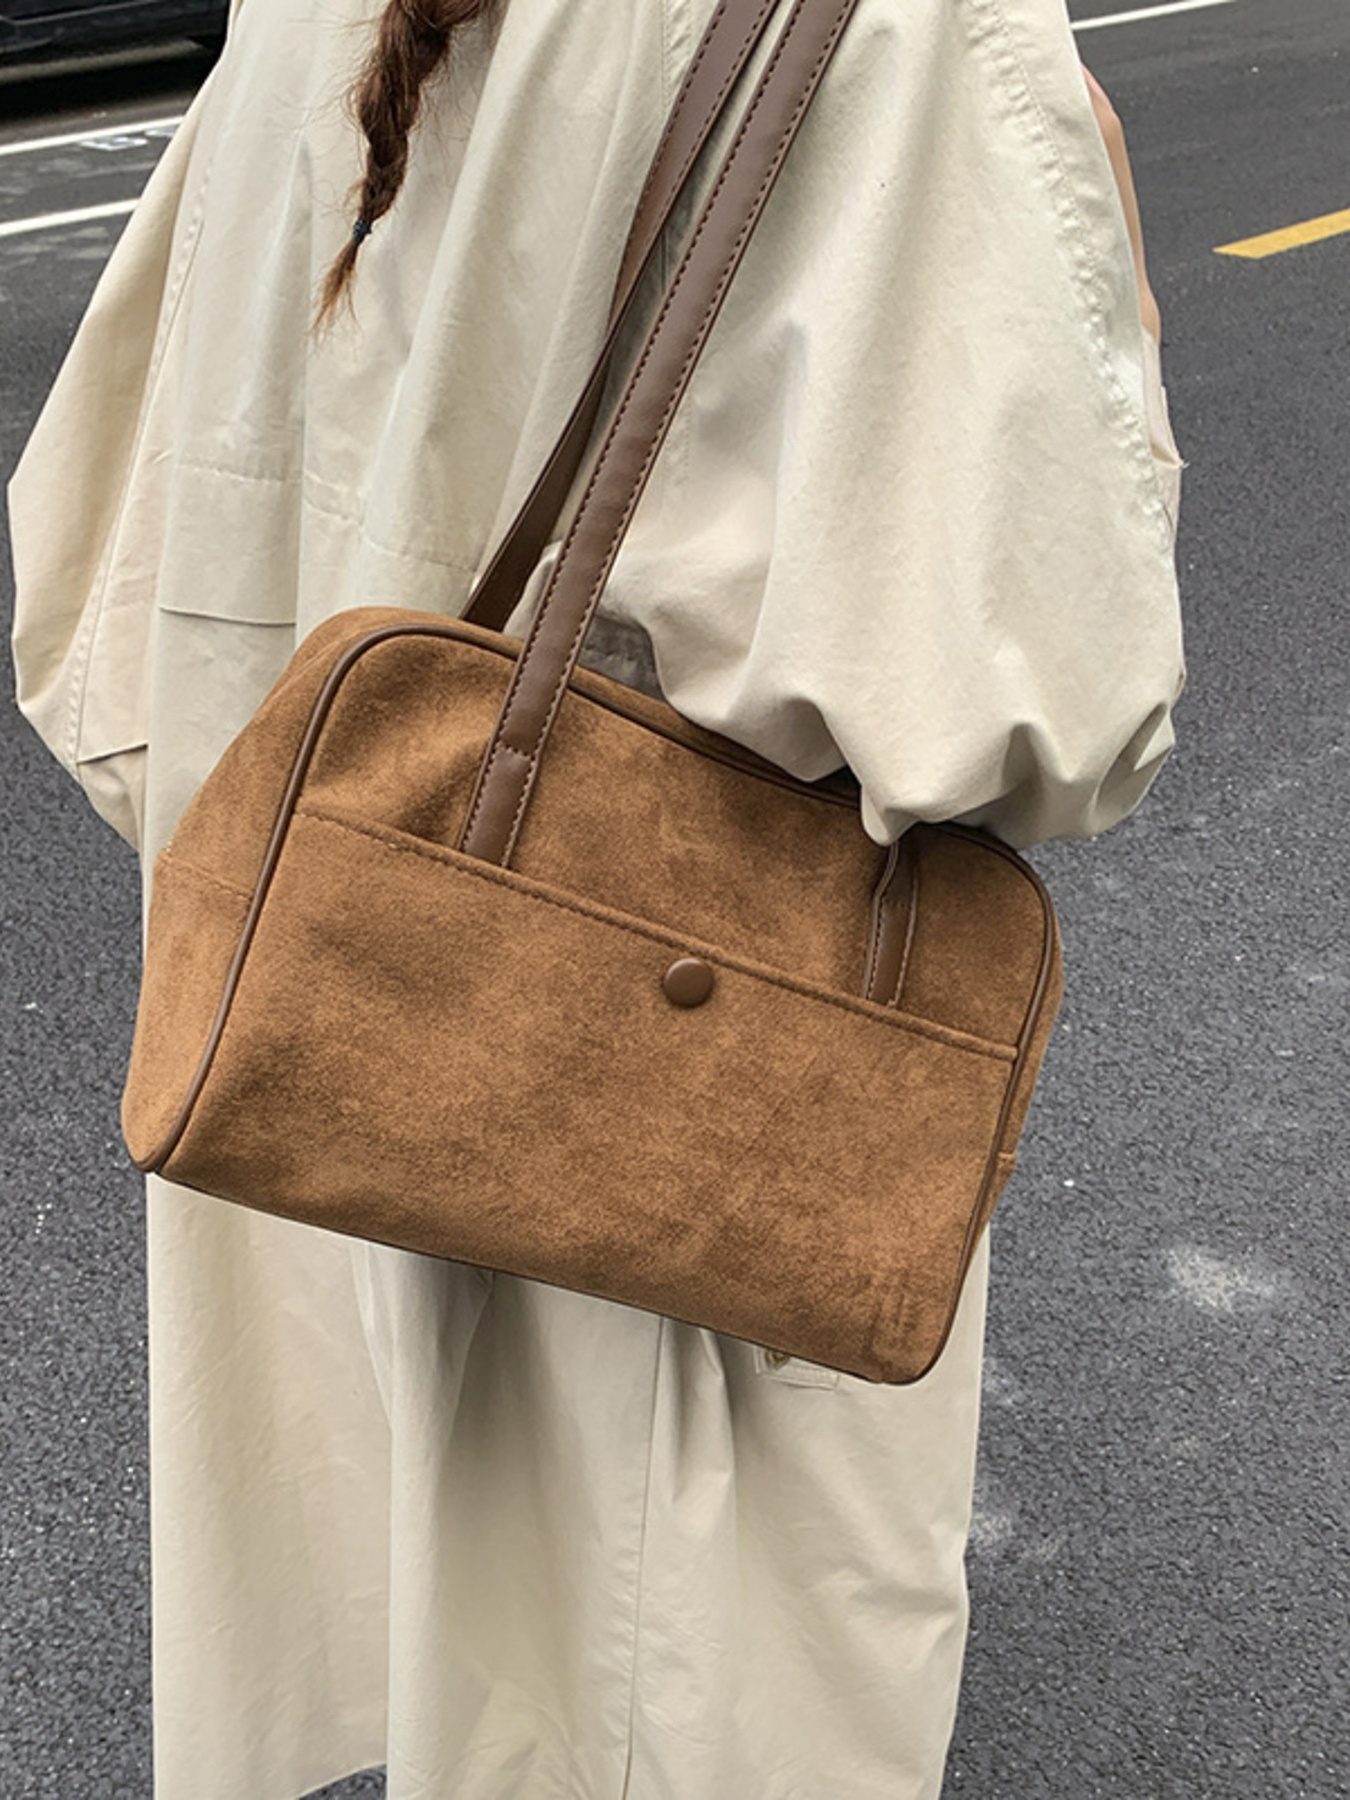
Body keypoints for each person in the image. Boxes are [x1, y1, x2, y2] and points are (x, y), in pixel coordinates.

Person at [8, 0, 1184, 1795]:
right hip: (693, 1168)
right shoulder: (905, 29)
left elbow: (103, 602)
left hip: (333, 1054)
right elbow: (1032, 708)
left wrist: (373, 906)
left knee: (435, 1633)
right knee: (648, 1687)